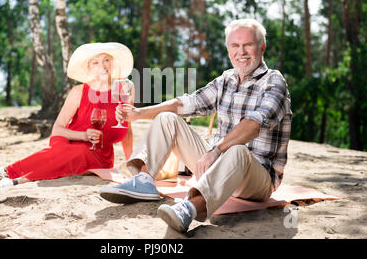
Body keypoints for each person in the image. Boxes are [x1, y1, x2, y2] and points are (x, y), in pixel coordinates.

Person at [99, 19, 292, 233]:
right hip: (217, 163)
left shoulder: (274, 81)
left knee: (237, 150)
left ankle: (189, 209)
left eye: (248, 45)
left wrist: (217, 149)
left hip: (258, 179)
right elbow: (185, 103)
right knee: (167, 118)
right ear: (228, 49)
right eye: (235, 46)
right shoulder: (226, 79)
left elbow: (256, 123)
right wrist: (138, 114)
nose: (241, 52)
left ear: (262, 47)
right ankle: (144, 180)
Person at [0, 42, 135, 189]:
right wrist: (83, 135)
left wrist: (131, 163)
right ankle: (9, 173)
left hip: (101, 156)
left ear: (112, 62)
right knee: (73, 153)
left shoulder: (124, 91)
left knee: (80, 154)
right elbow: (57, 130)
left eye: (106, 60)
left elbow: (127, 131)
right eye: (96, 62)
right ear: (89, 68)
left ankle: (13, 177)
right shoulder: (78, 92)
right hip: (68, 142)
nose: (102, 66)